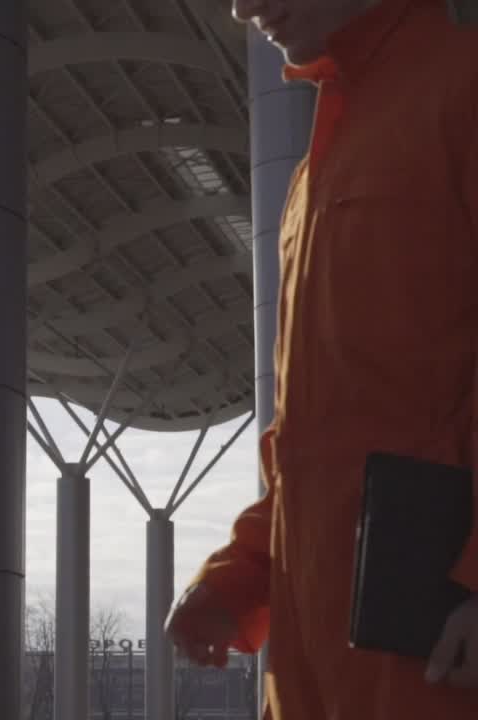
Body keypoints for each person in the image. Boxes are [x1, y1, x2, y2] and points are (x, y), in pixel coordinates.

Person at [165, 0, 478, 717]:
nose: (242, 9)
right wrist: (243, 576)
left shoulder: (464, 83)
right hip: (317, 654)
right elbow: (316, 426)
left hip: (433, 645)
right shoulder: (322, 158)